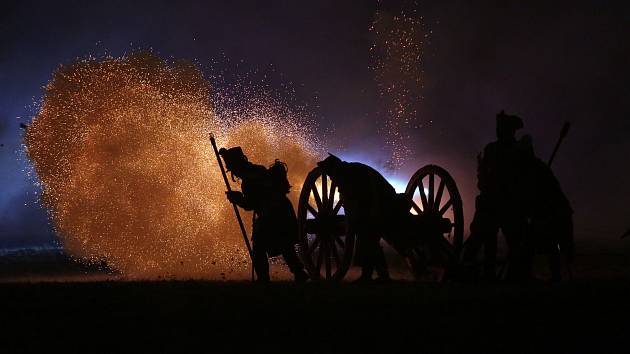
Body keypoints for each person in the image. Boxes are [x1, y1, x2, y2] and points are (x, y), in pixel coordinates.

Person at [219, 146, 309, 283]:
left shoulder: (249, 180)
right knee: (285, 245)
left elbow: (251, 204)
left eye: (233, 168)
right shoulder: (258, 170)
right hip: (283, 210)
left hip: (271, 214)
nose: (234, 173)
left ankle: (264, 281)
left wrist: (236, 199)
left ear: (237, 165)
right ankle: (299, 273)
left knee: (259, 248)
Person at [462, 110, 532, 281]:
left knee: (500, 240)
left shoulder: (498, 149)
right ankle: (485, 272)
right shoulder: (512, 150)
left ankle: (503, 275)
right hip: (501, 203)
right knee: (491, 240)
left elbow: (524, 176)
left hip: (501, 203)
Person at [317, 154, 403, 282]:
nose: (331, 178)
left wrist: (357, 218)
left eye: (330, 174)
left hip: (380, 206)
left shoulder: (350, 174)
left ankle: (377, 275)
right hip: (382, 204)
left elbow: (364, 196)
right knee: (368, 238)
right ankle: (374, 275)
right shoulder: (352, 171)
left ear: (335, 170)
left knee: (367, 236)